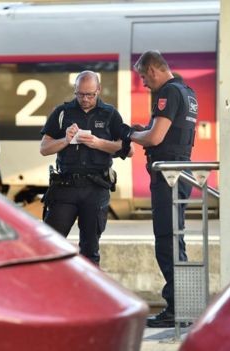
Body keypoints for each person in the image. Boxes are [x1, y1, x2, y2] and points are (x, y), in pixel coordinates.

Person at [121, 50, 197, 328]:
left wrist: (131, 134)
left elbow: (155, 137)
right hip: (181, 171)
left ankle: (177, 309)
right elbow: (164, 131)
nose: (143, 82)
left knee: (166, 241)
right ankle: (183, 306)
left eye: (142, 76)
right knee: (176, 240)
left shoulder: (167, 92)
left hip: (168, 175)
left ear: (153, 70)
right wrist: (147, 130)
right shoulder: (187, 91)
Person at [40, 70, 131, 265]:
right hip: (66, 186)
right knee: (49, 245)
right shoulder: (62, 112)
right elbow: (44, 148)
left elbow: (127, 149)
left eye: (90, 94)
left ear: (98, 90)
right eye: (80, 94)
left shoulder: (110, 114)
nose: (85, 99)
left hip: (96, 187)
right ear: (75, 90)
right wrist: (65, 139)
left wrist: (99, 143)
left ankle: (90, 293)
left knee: (90, 250)